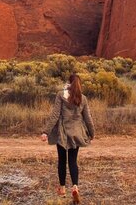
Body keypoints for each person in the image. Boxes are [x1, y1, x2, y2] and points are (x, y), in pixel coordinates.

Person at [40, 73, 95, 203]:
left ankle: (63, 188)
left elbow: (55, 115)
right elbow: (88, 118)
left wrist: (45, 132)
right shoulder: (83, 98)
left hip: (62, 133)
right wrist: (92, 133)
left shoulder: (61, 95)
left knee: (62, 161)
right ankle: (75, 187)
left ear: (69, 83)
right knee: (73, 161)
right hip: (76, 134)